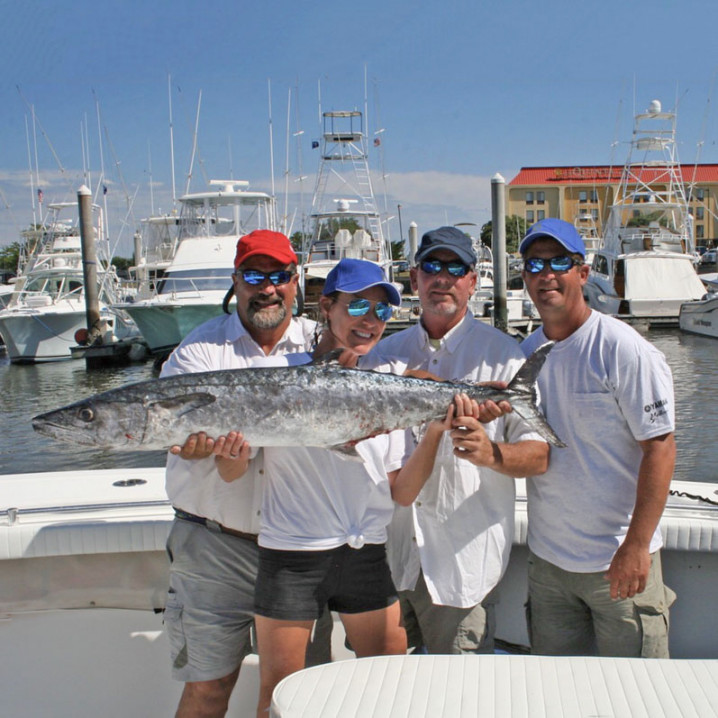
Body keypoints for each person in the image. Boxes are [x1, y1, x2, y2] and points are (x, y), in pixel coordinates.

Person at [161, 229, 328, 718]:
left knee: (297, 697)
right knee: (209, 689)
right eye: (255, 276)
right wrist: (199, 451)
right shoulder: (198, 352)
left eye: (280, 276)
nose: (268, 288)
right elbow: (174, 436)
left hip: (300, 549)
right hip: (215, 545)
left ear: (296, 282)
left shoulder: (321, 346)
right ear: (236, 281)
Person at [365, 226, 550, 654]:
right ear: (414, 280)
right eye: (432, 266)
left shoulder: (505, 355)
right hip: (390, 563)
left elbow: (538, 455)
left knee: (459, 697)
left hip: (461, 567)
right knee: (387, 694)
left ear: (472, 281)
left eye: (456, 268)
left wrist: (492, 454)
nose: (442, 277)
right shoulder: (380, 357)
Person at [250, 258, 411, 717]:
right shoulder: (276, 376)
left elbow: (399, 487)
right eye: (358, 305)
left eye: (381, 312)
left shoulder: (388, 387)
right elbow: (230, 468)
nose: (370, 320)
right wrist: (215, 448)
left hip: (365, 554)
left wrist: (439, 427)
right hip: (292, 557)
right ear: (326, 306)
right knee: (279, 693)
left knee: (390, 683)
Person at [519, 217, 676, 657]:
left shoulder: (622, 348)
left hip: (619, 563)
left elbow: (660, 448)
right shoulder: (526, 354)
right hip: (548, 566)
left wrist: (637, 546)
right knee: (556, 694)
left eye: (559, 262)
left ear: (583, 273)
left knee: (635, 697)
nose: (546, 274)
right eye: (534, 264)